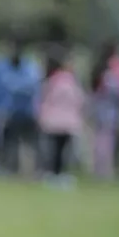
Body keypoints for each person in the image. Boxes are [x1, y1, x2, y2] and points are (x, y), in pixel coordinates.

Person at [0, 37, 42, 175]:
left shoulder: (30, 67)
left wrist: (16, 85)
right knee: (3, 142)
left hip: (26, 112)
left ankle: (38, 171)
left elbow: (32, 85)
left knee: (32, 144)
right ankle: (5, 168)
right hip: (4, 111)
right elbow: (0, 86)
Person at [37, 49, 85, 185]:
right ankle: (60, 174)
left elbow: (44, 99)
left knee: (54, 151)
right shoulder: (69, 80)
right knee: (62, 151)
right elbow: (79, 99)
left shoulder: (51, 80)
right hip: (67, 123)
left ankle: (53, 173)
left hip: (52, 122)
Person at [90, 43, 119, 181]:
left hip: (99, 112)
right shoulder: (109, 76)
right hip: (110, 113)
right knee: (107, 143)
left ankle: (99, 169)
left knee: (99, 141)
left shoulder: (96, 73)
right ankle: (105, 171)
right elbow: (118, 92)